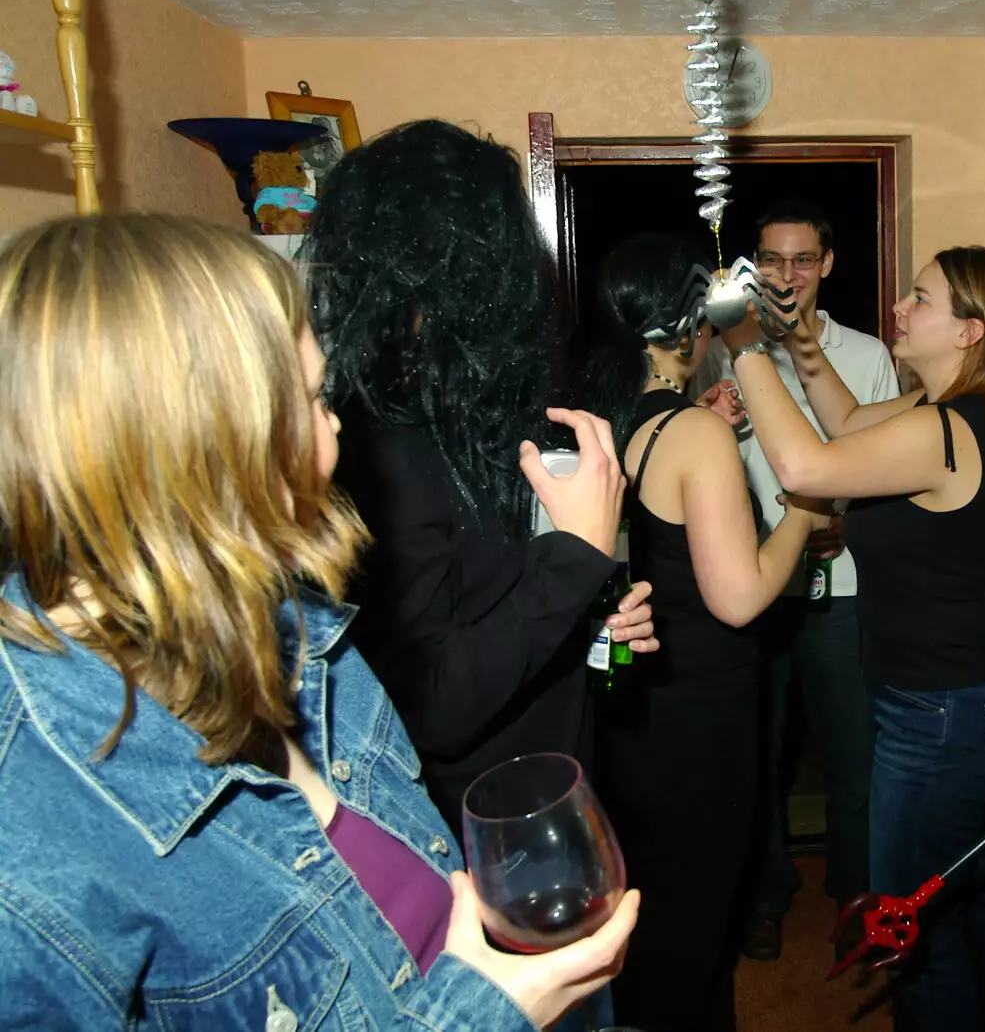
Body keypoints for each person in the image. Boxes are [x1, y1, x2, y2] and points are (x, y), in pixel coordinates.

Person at [0, 214, 638, 1030]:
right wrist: (482, 1014)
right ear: (192, 443)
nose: (337, 427)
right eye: (307, 401)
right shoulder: (33, 827)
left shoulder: (294, 627)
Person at [721, 245, 985, 1032]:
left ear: (970, 332)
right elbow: (843, 420)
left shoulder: (944, 430)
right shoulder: (944, 413)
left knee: (911, 923)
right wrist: (799, 340)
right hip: (972, 707)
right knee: (980, 889)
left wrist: (744, 348)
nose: (900, 308)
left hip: (943, 719)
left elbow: (806, 465)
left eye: (921, 298)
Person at [301, 120, 657, 844]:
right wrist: (576, 559)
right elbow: (428, 705)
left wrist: (589, 614)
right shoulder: (379, 445)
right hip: (468, 830)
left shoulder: (469, 413)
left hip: (548, 780)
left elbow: (490, 604)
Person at [582, 232, 832, 1032]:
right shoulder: (694, 433)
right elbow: (739, 597)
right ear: (695, 327)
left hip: (635, 702)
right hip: (700, 714)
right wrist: (803, 510)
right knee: (695, 925)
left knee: (653, 915)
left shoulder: (617, 416)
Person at [693, 199, 900, 959]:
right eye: (771, 261)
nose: (786, 276)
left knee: (855, 757)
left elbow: (889, 459)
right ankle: (765, 895)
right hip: (749, 587)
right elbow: (692, 461)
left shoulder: (868, 353)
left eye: (802, 260)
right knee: (757, 757)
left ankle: (855, 893)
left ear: (828, 266)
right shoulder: (721, 350)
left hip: (841, 587)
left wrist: (855, 517)